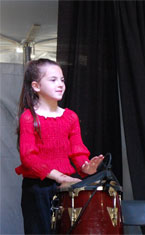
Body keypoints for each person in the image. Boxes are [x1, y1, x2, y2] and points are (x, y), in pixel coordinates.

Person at [15, 58, 104, 234]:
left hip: (66, 187)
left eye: (62, 79)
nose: (60, 84)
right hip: (38, 189)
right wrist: (58, 176)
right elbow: (28, 157)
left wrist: (86, 167)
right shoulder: (28, 118)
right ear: (36, 86)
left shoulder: (71, 117)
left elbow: (77, 151)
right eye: (53, 79)